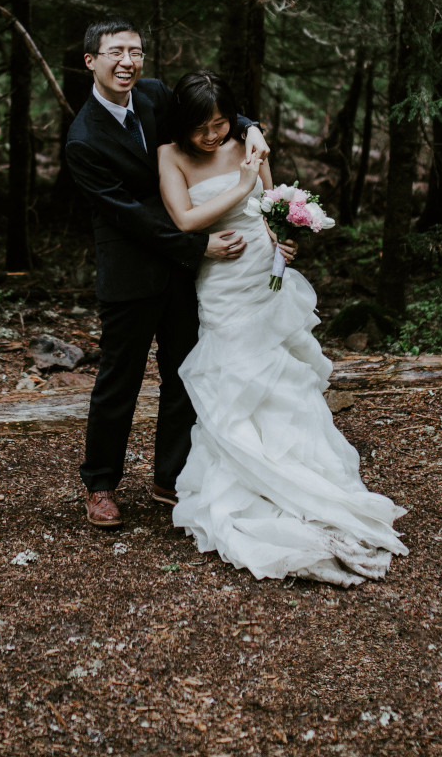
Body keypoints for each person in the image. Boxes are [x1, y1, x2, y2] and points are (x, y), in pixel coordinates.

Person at [157, 70, 407, 586]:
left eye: (222, 124)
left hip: (262, 274)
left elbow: (269, 205)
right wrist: (245, 184)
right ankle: (248, 481)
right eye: (203, 128)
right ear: (184, 125)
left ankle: (304, 476)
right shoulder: (171, 155)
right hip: (220, 281)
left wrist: (282, 240)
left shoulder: (248, 140)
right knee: (233, 373)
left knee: (283, 374)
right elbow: (184, 219)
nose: (214, 136)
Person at [62, 21, 281, 529]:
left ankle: (171, 477)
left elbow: (213, 111)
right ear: (90, 61)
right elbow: (130, 215)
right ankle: (99, 484)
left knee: (185, 373)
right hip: (134, 270)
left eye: (135, 52)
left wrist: (250, 128)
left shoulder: (156, 94)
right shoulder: (83, 139)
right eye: (115, 53)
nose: (127, 62)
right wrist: (198, 243)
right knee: (120, 379)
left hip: (186, 272)